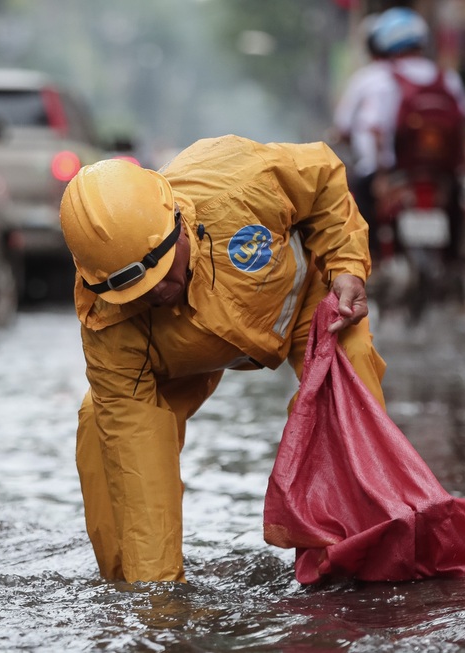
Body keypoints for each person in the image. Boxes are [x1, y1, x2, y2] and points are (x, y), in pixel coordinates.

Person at [59, 136, 388, 583]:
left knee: (349, 375)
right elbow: (137, 460)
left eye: (159, 270)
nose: (155, 291)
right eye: (133, 289)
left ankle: (360, 551)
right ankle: (130, 584)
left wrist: (347, 267)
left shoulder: (240, 179)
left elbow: (324, 180)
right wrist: (157, 605)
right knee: (100, 422)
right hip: (190, 355)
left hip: (306, 309)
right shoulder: (108, 320)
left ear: (175, 218)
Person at [357, 7, 465, 265]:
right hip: (441, 172)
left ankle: (373, 258)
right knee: (458, 199)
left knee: (359, 192)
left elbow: (374, 129)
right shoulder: (446, 76)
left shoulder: (379, 78)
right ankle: (454, 263)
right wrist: (461, 164)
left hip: (398, 171)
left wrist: (381, 176)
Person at [331, 16, 390, 258]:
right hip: (429, 169)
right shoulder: (434, 74)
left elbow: (342, 125)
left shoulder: (367, 78)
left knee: (354, 202)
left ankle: (370, 256)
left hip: (376, 171)